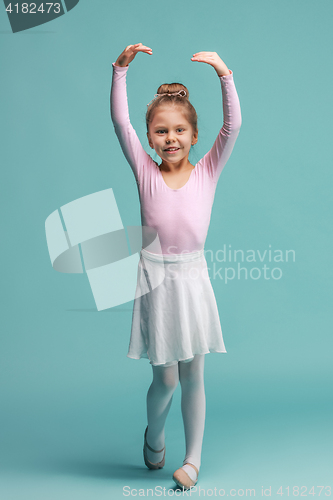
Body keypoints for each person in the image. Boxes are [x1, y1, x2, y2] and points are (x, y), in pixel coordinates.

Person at [110, 43, 242, 490]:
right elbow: (120, 124)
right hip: (155, 280)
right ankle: (155, 436)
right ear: (150, 138)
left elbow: (234, 125)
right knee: (164, 380)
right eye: (162, 132)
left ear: (194, 135)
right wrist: (120, 72)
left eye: (179, 130)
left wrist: (225, 75)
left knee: (193, 374)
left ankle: (192, 459)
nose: (171, 139)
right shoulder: (146, 172)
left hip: (192, 278)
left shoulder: (207, 171)